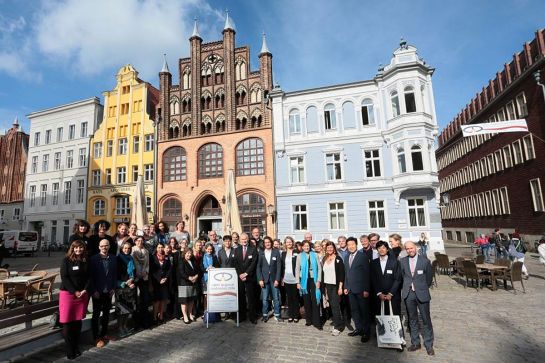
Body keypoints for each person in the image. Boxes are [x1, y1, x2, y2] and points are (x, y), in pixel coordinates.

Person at [401, 241, 434, 356]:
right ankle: (415, 343)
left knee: (426, 319)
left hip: (422, 294)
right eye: (407, 249)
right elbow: (402, 276)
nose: (410, 250)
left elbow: (429, 278)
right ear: (405, 250)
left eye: (411, 248)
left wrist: (421, 288)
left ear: (415, 248)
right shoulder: (403, 261)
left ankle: (429, 345)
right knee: (412, 319)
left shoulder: (425, 261)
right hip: (409, 294)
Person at [59, 240, 89, 359]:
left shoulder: (86, 260)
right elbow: (64, 278)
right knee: (67, 322)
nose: (78, 250)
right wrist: (74, 291)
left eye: (81, 248)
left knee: (77, 321)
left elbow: (89, 276)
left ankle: (76, 346)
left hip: (81, 295)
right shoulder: (66, 260)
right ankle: (69, 349)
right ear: (72, 248)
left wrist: (84, 290)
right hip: (68, 294)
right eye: (76, 248)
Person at [89, 239, 117, 348]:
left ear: (109, 246)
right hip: (97, 292)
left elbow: (115, 275)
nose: (104, 248)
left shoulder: (113, 258)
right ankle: (96, 337)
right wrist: (93, 290)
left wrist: (113, 288)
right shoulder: (93, 259)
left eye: (106, 246)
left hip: (108, 292)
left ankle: (104, 333)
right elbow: (90, 277)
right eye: (102, 246)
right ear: (99, 247)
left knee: (106, 314)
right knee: (96, 315)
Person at [344, 236, 371, 343]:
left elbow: (367, 274)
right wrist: (346, 286)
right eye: (349, 245)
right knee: (354, 311)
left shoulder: (362, 256)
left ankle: (366, 332)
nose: (351, 247)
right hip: (350, 290)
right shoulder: (346, 257)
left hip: (361, 290)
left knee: (364, 311)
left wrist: (366, 289)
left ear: (356, 245)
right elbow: (346, 273)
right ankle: (359, 329)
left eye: (352, 244)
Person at [296, 240, 322, 330]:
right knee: (306, 300)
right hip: (304, 280)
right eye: (305, 246)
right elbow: (297, 269)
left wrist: (318, 280)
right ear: (302, 247)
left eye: (308, 246)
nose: (306, 247)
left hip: (313, 279)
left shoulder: (315, 255)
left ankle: (317, 322)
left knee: (315, 300)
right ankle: (309, 320)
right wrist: (297, 282)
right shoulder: (299, 256)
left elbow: (319, 268)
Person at [371, 241, 402, 316]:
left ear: (387, 249)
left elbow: (398, 279)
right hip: (379, 296)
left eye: (383, 248)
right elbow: (373, 279)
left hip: (393, 296)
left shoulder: (395, 262)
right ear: (377, 250)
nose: (381, 250)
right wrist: (379, 293)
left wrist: (391, 294)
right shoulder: (373, 263)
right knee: (381, 318)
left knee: (394, 318)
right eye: (379, 248)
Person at [322, 241, 345, 336]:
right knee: (332, 306)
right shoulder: (325, 258)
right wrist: (325, 289)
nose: (329, 249)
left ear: (334, 248)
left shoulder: (338, 259)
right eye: (328, 248)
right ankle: (336, 323)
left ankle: (338, 327)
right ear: (326, 249)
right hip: (327, 285)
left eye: (331, 248)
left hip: (336, 286)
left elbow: (341, 274)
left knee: (335, 306)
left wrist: (340, 287)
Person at [234, 233, 258, 324]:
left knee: (251, 298)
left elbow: (253, 263)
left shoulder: (253, 249)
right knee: (241, 297)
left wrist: (246, 273)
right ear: (240, 240)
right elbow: (235, 263)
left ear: (248, 239)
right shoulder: (236, 250)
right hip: (240, 278)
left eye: (245, 239)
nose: (244, 241)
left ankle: (252, 317)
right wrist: (240, 274)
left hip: (250, 277)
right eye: (242, 239)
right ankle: (242, 316)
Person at [257, 236, 282, 322]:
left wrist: (277, 279)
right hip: (264, 279)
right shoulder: (261, 253)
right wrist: (260, 279)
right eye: (266, 242)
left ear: (271, 243)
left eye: (269, 242)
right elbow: (258, 267)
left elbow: (279, 267)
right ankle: (265, 315)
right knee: (264, 298)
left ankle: (277, 314)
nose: (267, 244)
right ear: (264, 244)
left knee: (276, 298)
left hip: (274, 279)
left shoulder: (276, 252)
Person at [116, 241, 136, 337]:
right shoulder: (118, 259)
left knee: (128, 309)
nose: (127, 250)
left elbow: (133, 272)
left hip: (130, 286)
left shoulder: (131, 258)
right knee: (121, 310)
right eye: (125, 248)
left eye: (128, 248)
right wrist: (125, 283)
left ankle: (125, 326)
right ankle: (120, 328)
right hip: (121, 286)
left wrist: (132, 280)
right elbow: (116, 274)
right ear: (121, 248)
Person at [131, 236, 151, 329]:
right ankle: (136, 323)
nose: (140, 242)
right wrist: (136, 273)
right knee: (135, 301)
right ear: (135, 242)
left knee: (145, 300)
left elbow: (147, 264)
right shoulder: (132, 250)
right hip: (135, 278)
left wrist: (145, 271)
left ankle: (145, 321)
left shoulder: (146, 251)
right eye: (138, 240)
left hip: (144, 277)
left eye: (141, 241)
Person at [149, 244, 172, 324]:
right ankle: (155, 316)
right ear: (156, 248)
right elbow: (152, 270)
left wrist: (165, 278)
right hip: (156, 282)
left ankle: (161, 315)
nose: (160, 249)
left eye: (162, 247)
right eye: (159, 247)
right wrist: (159, 279)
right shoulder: (153, 257)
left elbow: (169, 269)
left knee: (163, 300)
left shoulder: (166, 257)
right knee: (156, 301)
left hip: (165, 282)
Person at [178, 248, 200, 324]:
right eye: (187, 253)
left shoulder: (193, 261)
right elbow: (181, 272)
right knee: (184, 301)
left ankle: (190, 314)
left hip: (193, 283)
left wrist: (196, 276)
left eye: (190, 253)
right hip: (184, 283)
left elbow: (198, 270)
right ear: (184, 253)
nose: (189, 254)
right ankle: (185, 316)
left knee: (191, 300)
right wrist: (189, 278)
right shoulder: (181, 261)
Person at [281, 236, 300, 323]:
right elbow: (282, 267)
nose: (289, 243)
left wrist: (298, 279)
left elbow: (299, 266)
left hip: (295, 278)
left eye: (290, 242)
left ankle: (296, 315)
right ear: (285, 243)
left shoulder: (297, 252)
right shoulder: (283, 253)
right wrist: (282, 278)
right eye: (287, 242)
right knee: (289, 298)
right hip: (286, 279)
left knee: (295, 297)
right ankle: (290, 315)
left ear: (293, 242)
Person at [201, 243, 219, 315]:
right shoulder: (202, 257)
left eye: (211, 249)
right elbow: (201, 267)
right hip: (205, 278)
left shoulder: (214, 257)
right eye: (208, 249)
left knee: (212, 295)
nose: (209, 250)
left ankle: (212, 310)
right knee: (205, 295)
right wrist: (206, 269)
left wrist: (214, 268)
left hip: (213, 279)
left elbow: (218, 266)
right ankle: (205, 311)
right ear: (205, 249)